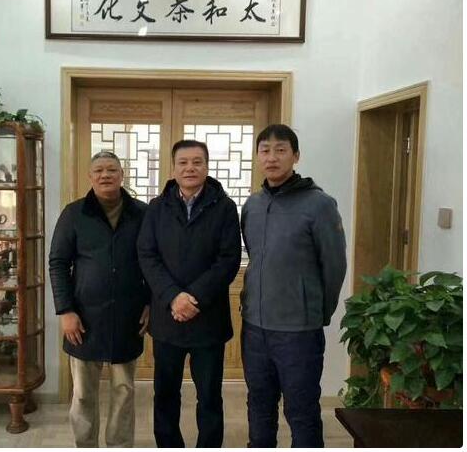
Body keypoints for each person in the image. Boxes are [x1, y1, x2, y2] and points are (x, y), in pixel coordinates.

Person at [240, 124, 347, 448]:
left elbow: (334, 267)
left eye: (281, 150)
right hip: (255, 328)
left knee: (301, 412)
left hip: (298, 331)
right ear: (258, 156)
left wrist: (315, 312)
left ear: (296, 156)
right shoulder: (252, 205)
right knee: (259, 406)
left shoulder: (319, 204)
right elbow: (256, 258)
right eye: (265, 150)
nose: (272, 157)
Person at [137, 139, 241, 448]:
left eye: (197, 162)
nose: (190, 168)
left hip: (208, 319)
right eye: (183, 162)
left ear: (207, 167)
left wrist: (193, 298)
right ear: (173, 168)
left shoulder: (224, 207)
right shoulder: (157, 208)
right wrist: (174, 296)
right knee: (165, 394)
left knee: (209, 396)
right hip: (167, 318)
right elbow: (147, 255)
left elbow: (228, 260)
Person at [49, 151, 150, 448]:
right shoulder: (74, 213)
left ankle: (119, 445)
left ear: (122, 175)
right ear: (90, 176)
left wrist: (150, 302)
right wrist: (65, 310)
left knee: (124, 391)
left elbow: (153, 262)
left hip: (128, 316)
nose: (105, 175)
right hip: (83, 318)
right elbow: (58, 263)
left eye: (111, 170)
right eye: (99, 170)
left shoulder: (142, 213)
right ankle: (85, 445)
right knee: (83, 394)